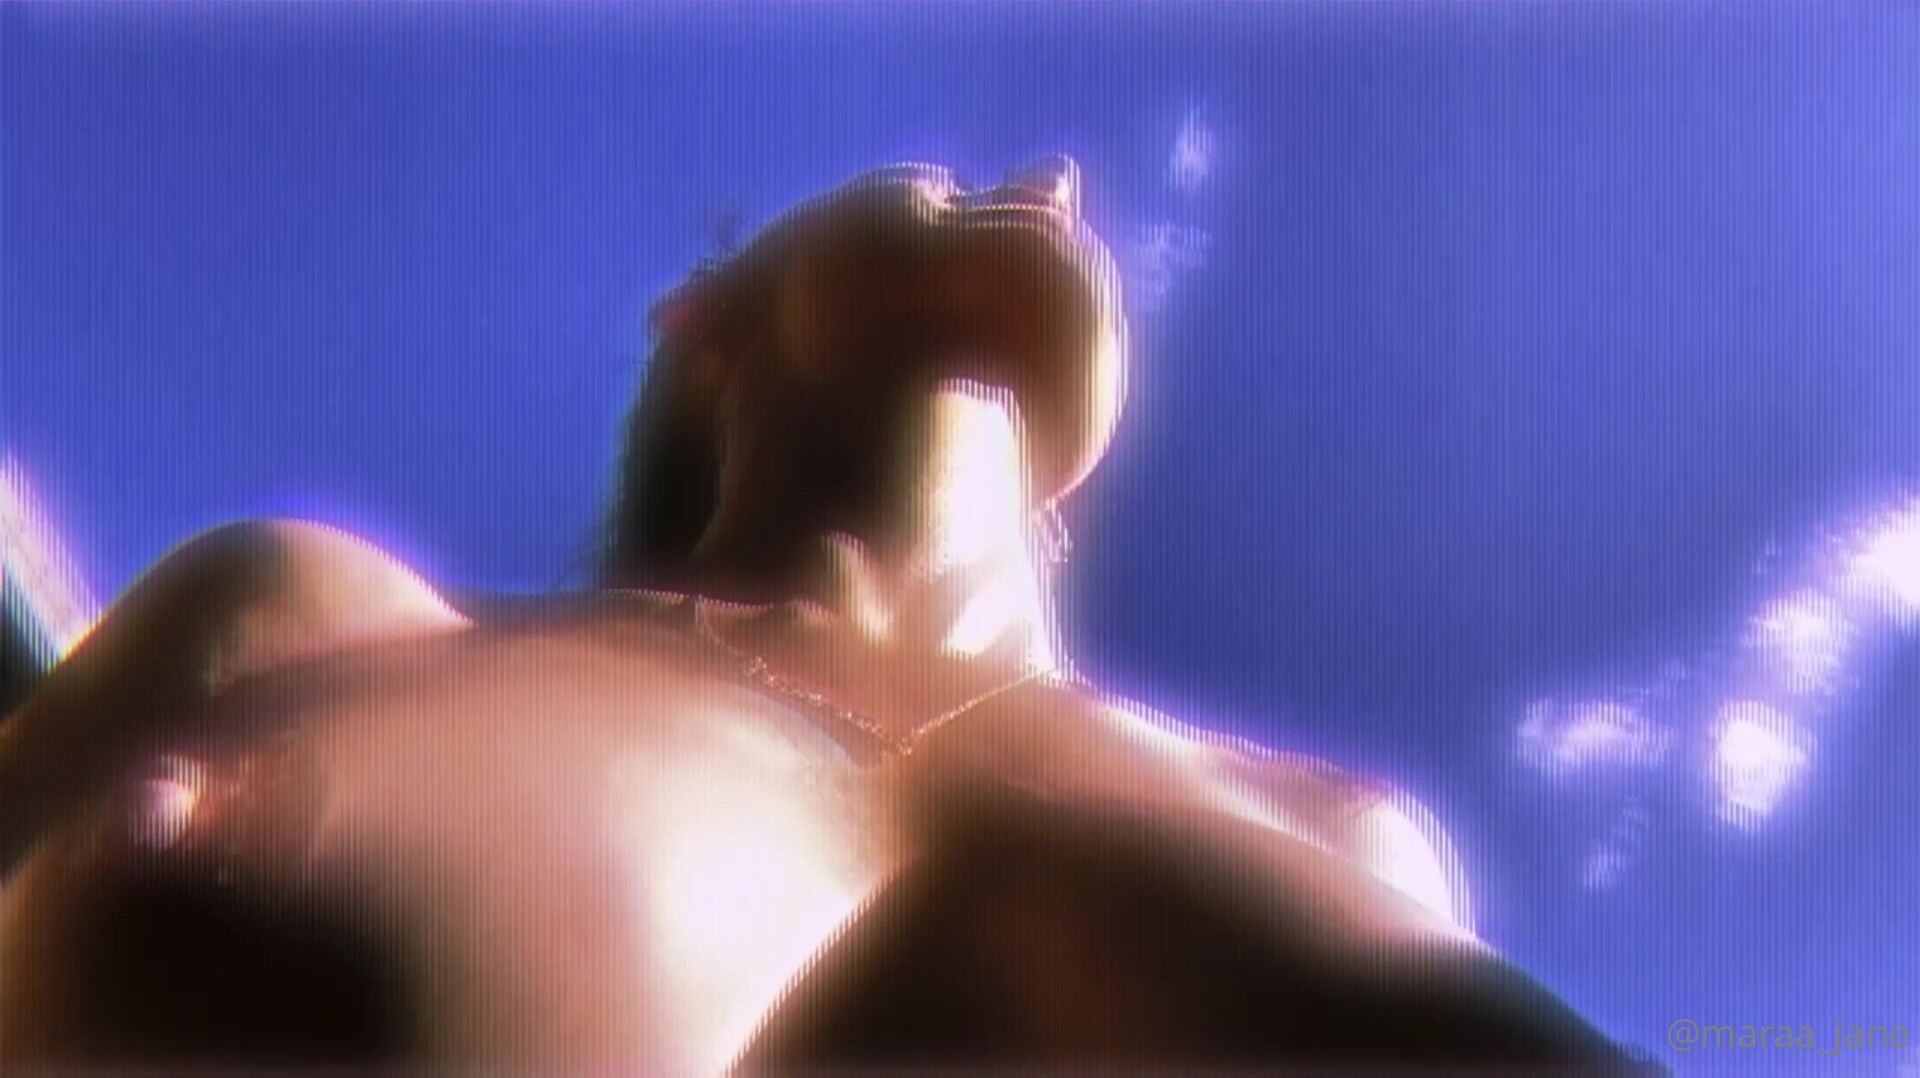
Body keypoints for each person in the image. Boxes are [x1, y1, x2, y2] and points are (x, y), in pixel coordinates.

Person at [0, 157, 1638, 1072]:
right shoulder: (314, 616)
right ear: (701, 319)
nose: (1050, 180)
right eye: (939, 180)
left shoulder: (1350, 836)